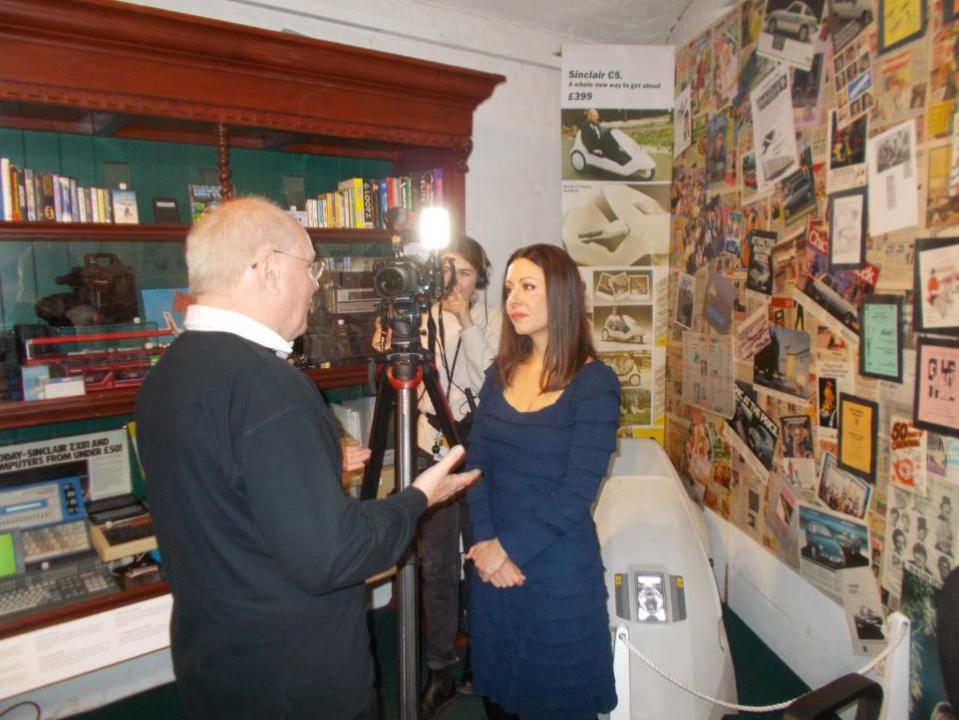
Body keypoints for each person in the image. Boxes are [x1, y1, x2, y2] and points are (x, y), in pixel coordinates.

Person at [135, 197, 480, 720]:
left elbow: (226, 503)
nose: (316, 285)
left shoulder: (166, 375)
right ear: (270, 269)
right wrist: (418, 499)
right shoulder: (272, 389)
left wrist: (311, 466)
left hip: (217, 667)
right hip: (296, 685)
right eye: (310, 266)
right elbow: (334, 557)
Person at [464, 244, 620, 719]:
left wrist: (504, 547)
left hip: (556, 573)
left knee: (558, 703)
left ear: (563, 297)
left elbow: (575, 493)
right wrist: (488, 544)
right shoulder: (500, 373)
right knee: (499, 698)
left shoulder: (595, 384)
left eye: (529, 287)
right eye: (510, 287)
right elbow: (477, 466)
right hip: (495, 567)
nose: (514, 298)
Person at [372, 235, 501, 718]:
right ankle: (440, 668)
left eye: (465, 272)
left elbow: (488, 381)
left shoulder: (493, 319)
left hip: (481, 450)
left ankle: (483, 659)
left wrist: (466, 321)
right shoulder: (416, 321)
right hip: (432, 453)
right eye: (446, 268)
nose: (453, 281)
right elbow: (395, 386)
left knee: (483, 559)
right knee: (440, 566)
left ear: (479, 278)